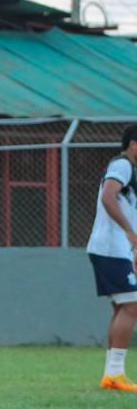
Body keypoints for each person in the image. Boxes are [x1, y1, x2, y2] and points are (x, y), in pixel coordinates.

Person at [87, 124, 137, 392]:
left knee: (122, 307)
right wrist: (129, 232)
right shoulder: (122, 165)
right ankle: (115, 374)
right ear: (133, 144)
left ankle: (112, 375)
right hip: (109, 247)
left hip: (115, 249)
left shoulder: (131, 170)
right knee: (132, 306)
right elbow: (108, 197)